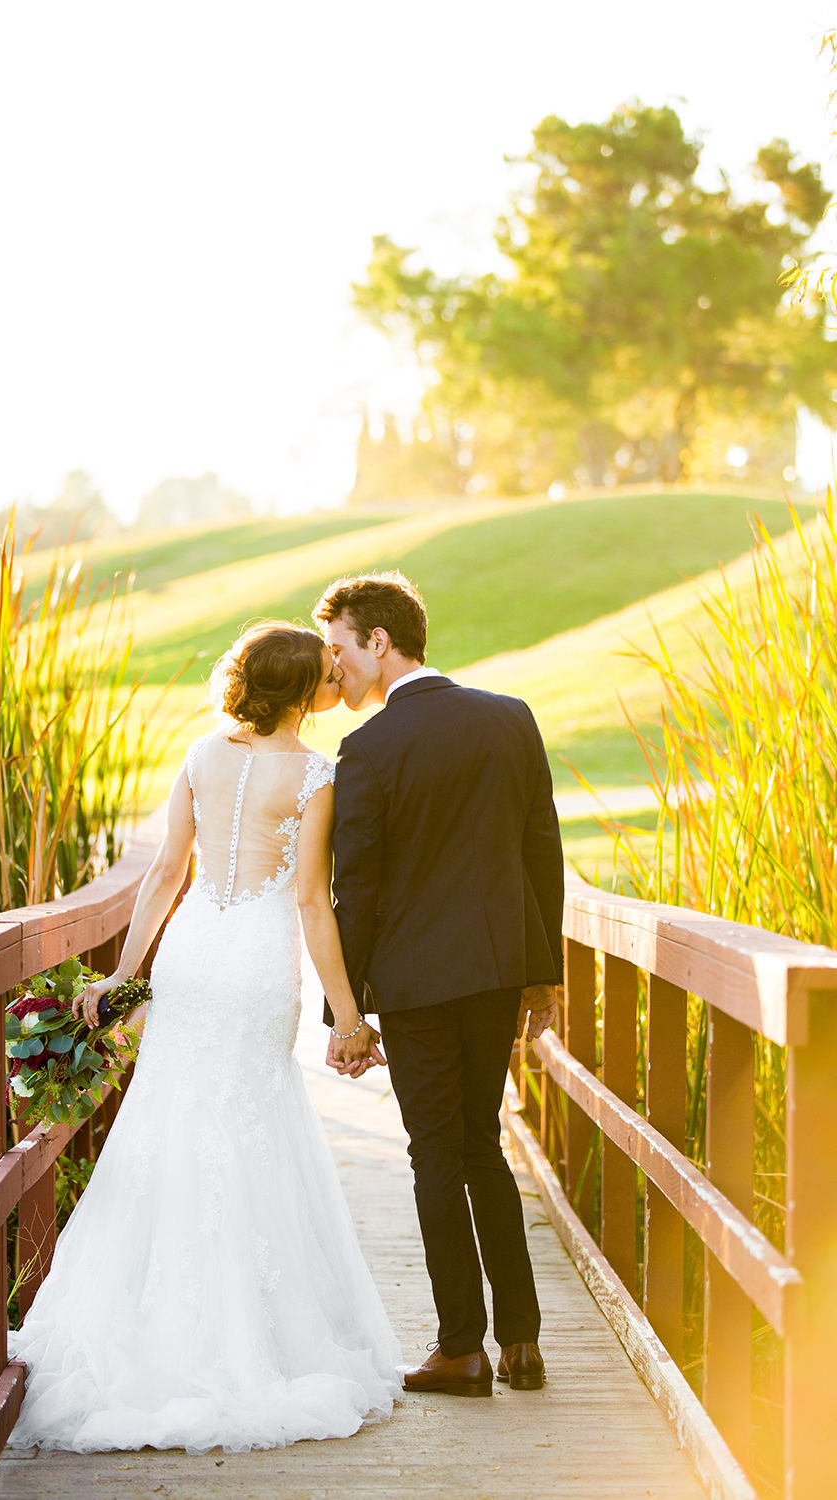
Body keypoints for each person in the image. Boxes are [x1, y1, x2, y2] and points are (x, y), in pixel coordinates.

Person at [7, 621, 402, 1454]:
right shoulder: (317, 774)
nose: (337, 678)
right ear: (302, 690)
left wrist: (122, 974)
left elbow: (162, 874)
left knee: (170, 1113)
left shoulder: (201, 754)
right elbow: (309, 903)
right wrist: (346, 1013)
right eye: (326, 672)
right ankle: (247, 1333)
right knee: (252, 1119)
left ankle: (148, 1320)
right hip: (257, 958)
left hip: (193, 953)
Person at [312, 572, 564, 1399]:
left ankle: (462, 1347)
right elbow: (541, 853)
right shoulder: (510, 718)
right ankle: (522, 1343)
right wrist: (543, 976)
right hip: (496, 973)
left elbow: (360, 889)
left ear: (379, 643)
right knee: (481, 1146)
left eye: (342, 650)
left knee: (433, 1156)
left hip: (417, 985)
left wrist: (344, 1013)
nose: (335, 668)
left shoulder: (369, 750)